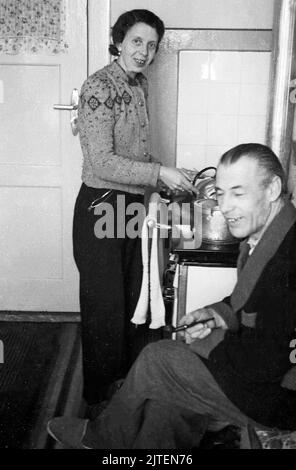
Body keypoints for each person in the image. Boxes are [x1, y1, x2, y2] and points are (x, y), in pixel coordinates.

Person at [48, 143, 296, 448]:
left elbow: (265, 364)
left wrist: (206, 345)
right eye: (220, 193)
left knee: (159, 359)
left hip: (280, 399)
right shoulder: (271, 233)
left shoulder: (288, 263)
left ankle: (107, 436)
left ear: (272, 188)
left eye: (238, 193)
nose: (225, 206)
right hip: (262, 373)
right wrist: (217, 314)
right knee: (170, 399)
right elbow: (248, 302)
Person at [73, 9, 196, 408]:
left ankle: (125, 385)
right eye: (138, 41)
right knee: (104, 305)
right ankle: (98, 398)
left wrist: (167, 177)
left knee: (130, 294)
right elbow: (102, 161)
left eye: (152, 45)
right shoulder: (97, 87)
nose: (144, 51)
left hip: (129, 205)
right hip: (101, 206)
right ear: (120, 40)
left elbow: (135, 153)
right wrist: (159, 171)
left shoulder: (138, 84)